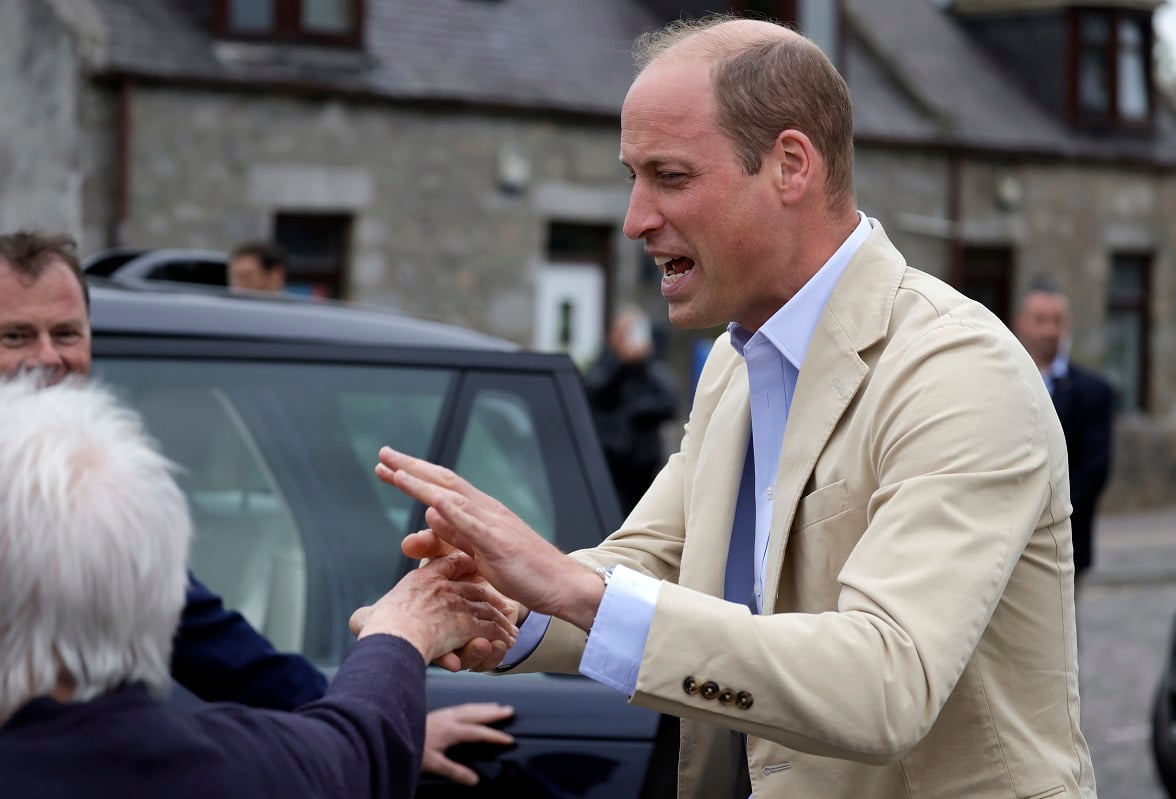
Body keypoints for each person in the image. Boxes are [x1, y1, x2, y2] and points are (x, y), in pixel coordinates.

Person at [374, 15, 1096, 799]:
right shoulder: (735, 358)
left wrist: (568, 586)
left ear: (790, 166)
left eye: (671, 177)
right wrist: (495, 609)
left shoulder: (958, 369)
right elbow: (650, 564)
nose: (636, 220)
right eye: (633, 177)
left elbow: (886, 681)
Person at [0, 229, 516, 786]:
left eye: (67, 333)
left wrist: (385, 709)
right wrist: (393, 661)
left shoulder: (96, 489)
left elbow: (219, 648)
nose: (48, 357)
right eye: (16, 335)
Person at [1014, 277, 1116, 583]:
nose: (1048, 331)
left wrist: (1044, 512)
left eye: (1057, 321)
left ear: (1067, 325)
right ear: (1021, 323)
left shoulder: (1094, 392)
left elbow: (1095, 469)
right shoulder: (1001, 381)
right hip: (1003, 536)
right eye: (1040, 320)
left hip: (1066, 537)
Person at [585, 304, 678, 515]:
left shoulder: (652, 369)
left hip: (643, 463)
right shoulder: (606, 363)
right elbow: (595, 392)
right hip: (610, 461)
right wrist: (622, 363)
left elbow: (668, 404)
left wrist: (641, 364)